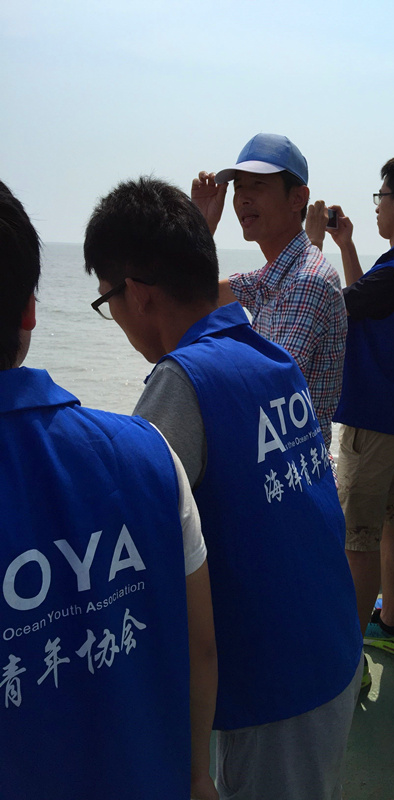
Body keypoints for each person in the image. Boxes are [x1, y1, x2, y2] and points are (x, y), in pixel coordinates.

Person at [84, 177, 363, 800]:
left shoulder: (182, 386)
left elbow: (127, 551)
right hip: (331, 651)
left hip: (269, 695)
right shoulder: (270, 358)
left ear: (136, 293)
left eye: (108, 301)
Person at [0, 181, 218, 800]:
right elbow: (199, 646)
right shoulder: (150, 454)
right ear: (30, 311)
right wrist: (198, 776)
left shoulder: (174, 401)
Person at [306, 151, 394, 662]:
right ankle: (392, 624)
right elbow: (366, 305)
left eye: (381, 197)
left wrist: (312, 244)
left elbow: (323, 307)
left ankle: (348, 660)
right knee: (390, 524)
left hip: (369, 428)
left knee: (356, 541)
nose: (377, 206)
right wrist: (346, 246)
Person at [191, 133, 347, 451]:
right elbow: (192, 295)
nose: (243, 198)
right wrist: (202, 226)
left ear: (297, 198)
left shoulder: (306, 280)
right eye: (239, 188)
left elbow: (269, 391)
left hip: (289, 465)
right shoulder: (272, 276)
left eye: (258, 185)